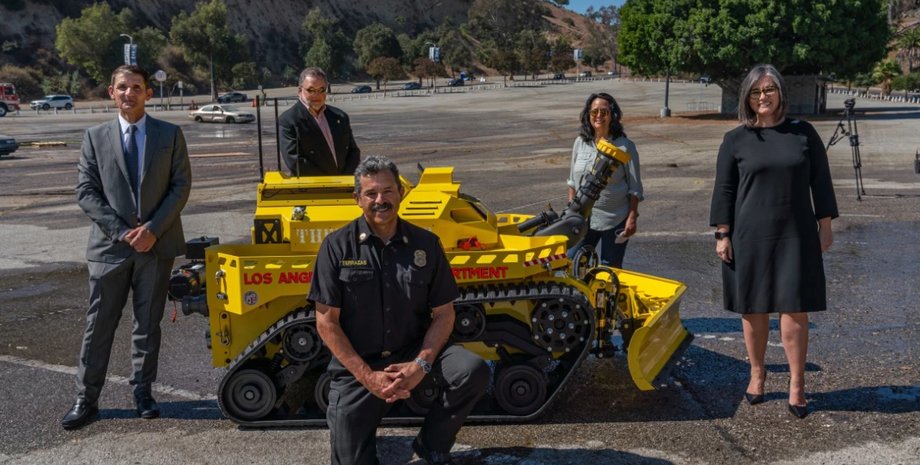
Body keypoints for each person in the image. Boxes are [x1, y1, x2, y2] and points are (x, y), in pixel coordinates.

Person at [308, 155, 489, 465]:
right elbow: (326, 322)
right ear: (357, 199)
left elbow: (444, 313)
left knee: (472, 370)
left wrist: (420, 364)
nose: (381, 200)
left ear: (401, 193)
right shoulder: (337, 247)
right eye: (371, 193)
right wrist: (368, 377)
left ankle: (431, 445)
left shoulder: (426, 244)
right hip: (360, 367)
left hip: (413, 354)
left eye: (388, 191)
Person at [63, 64, 192, 429]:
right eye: (122, 87)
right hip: (110, 249)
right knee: (98, 326)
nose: (129, 93)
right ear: (111, 92)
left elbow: (180, 186)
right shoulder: (95, 137)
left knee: (147, 325)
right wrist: (122, 232)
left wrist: (153, 229)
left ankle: (143, 393)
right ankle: (86, 400)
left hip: (155, 247)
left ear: (148, 93)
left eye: (136, 87)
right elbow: (86, 192)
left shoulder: (170, 134)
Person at [709, 64, 838, 419]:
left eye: (769, 90)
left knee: (795, 307)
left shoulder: (803, 133)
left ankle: (797, 384)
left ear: (781, 92)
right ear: (747, 98)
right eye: (755, 92)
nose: (762, 97)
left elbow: (821, 181)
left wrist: (825, 224)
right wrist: (722, 234)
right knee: (753, 308)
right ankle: (757, 373)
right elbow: (724, 190)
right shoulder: (735, 139)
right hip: (749, 235)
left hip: (795, 233)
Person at [566, 92, 643, 268]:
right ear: (588, 115)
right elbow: (572, 182)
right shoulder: (580, 143)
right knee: (572, 262)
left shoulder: (625, 146)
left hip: (615, 218)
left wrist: (632, 217)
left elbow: (635, 188)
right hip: (583, 218)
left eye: (604, 112)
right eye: (594, 112)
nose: (599, 116)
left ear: (612, 115)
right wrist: (571, 212)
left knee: (610, 268)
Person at [279, 67, 360, 176]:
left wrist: (344, 178)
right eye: (311, 90)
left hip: (344, 183)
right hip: (313, 185)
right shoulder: (289, 120)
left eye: (321, 90)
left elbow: (353, 153)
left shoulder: (340, 117)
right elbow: (295, 161)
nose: (317, 95)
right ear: (300, 91)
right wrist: (329, 181)